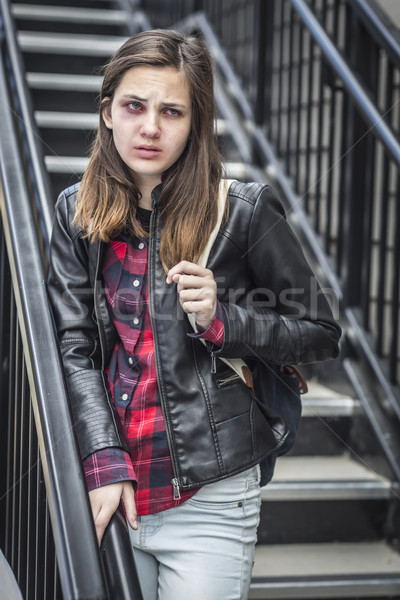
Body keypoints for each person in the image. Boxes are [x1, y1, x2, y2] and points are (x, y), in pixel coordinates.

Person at [47, 29, 341, 600]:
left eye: (172, 111)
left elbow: (321, 334)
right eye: (134, 106)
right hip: (114, 489)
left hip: (212, 498)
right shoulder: (76, 214)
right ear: (107, 113)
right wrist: (103, 460)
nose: (150, 126)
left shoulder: (244, 211)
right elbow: (74, 348)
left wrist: (222, 320)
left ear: (195, 123)